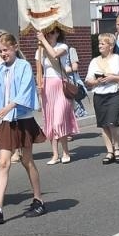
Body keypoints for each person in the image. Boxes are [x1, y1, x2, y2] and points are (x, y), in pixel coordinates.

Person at [0, 33, 46, 223]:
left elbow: (26, 91)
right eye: (0, 51)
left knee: (27, 160)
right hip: (6, 121)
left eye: (6, 50)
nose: (3, 54)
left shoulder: (24, 66)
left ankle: (38, 199)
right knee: (3, 162)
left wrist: (9, 107)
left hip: (23, 119)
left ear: (15, 48)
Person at [86, 33, 119, 163]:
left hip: (115, 94)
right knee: (104, 125)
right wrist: (96, 81)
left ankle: (117, 148)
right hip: (99, 95)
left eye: (103, 43)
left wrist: (113, 77)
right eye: (99, 43)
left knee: (112, 122)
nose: (100, 45)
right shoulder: (94, 61)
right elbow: (88, 80)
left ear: (111, 46)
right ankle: (109, 151)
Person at [35, 25, 79, 163]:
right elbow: (39, 71)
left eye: (52, 32)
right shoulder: (40, 51)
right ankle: (55, 154)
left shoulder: (63, 46)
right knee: (50, 122)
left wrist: (43, 40)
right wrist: (39, 86)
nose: (49, 34)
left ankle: (66, 152)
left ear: (58, 34)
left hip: (60, 85)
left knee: (59, 121)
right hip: (47, 86)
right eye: (47, 32)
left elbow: (54, 55)